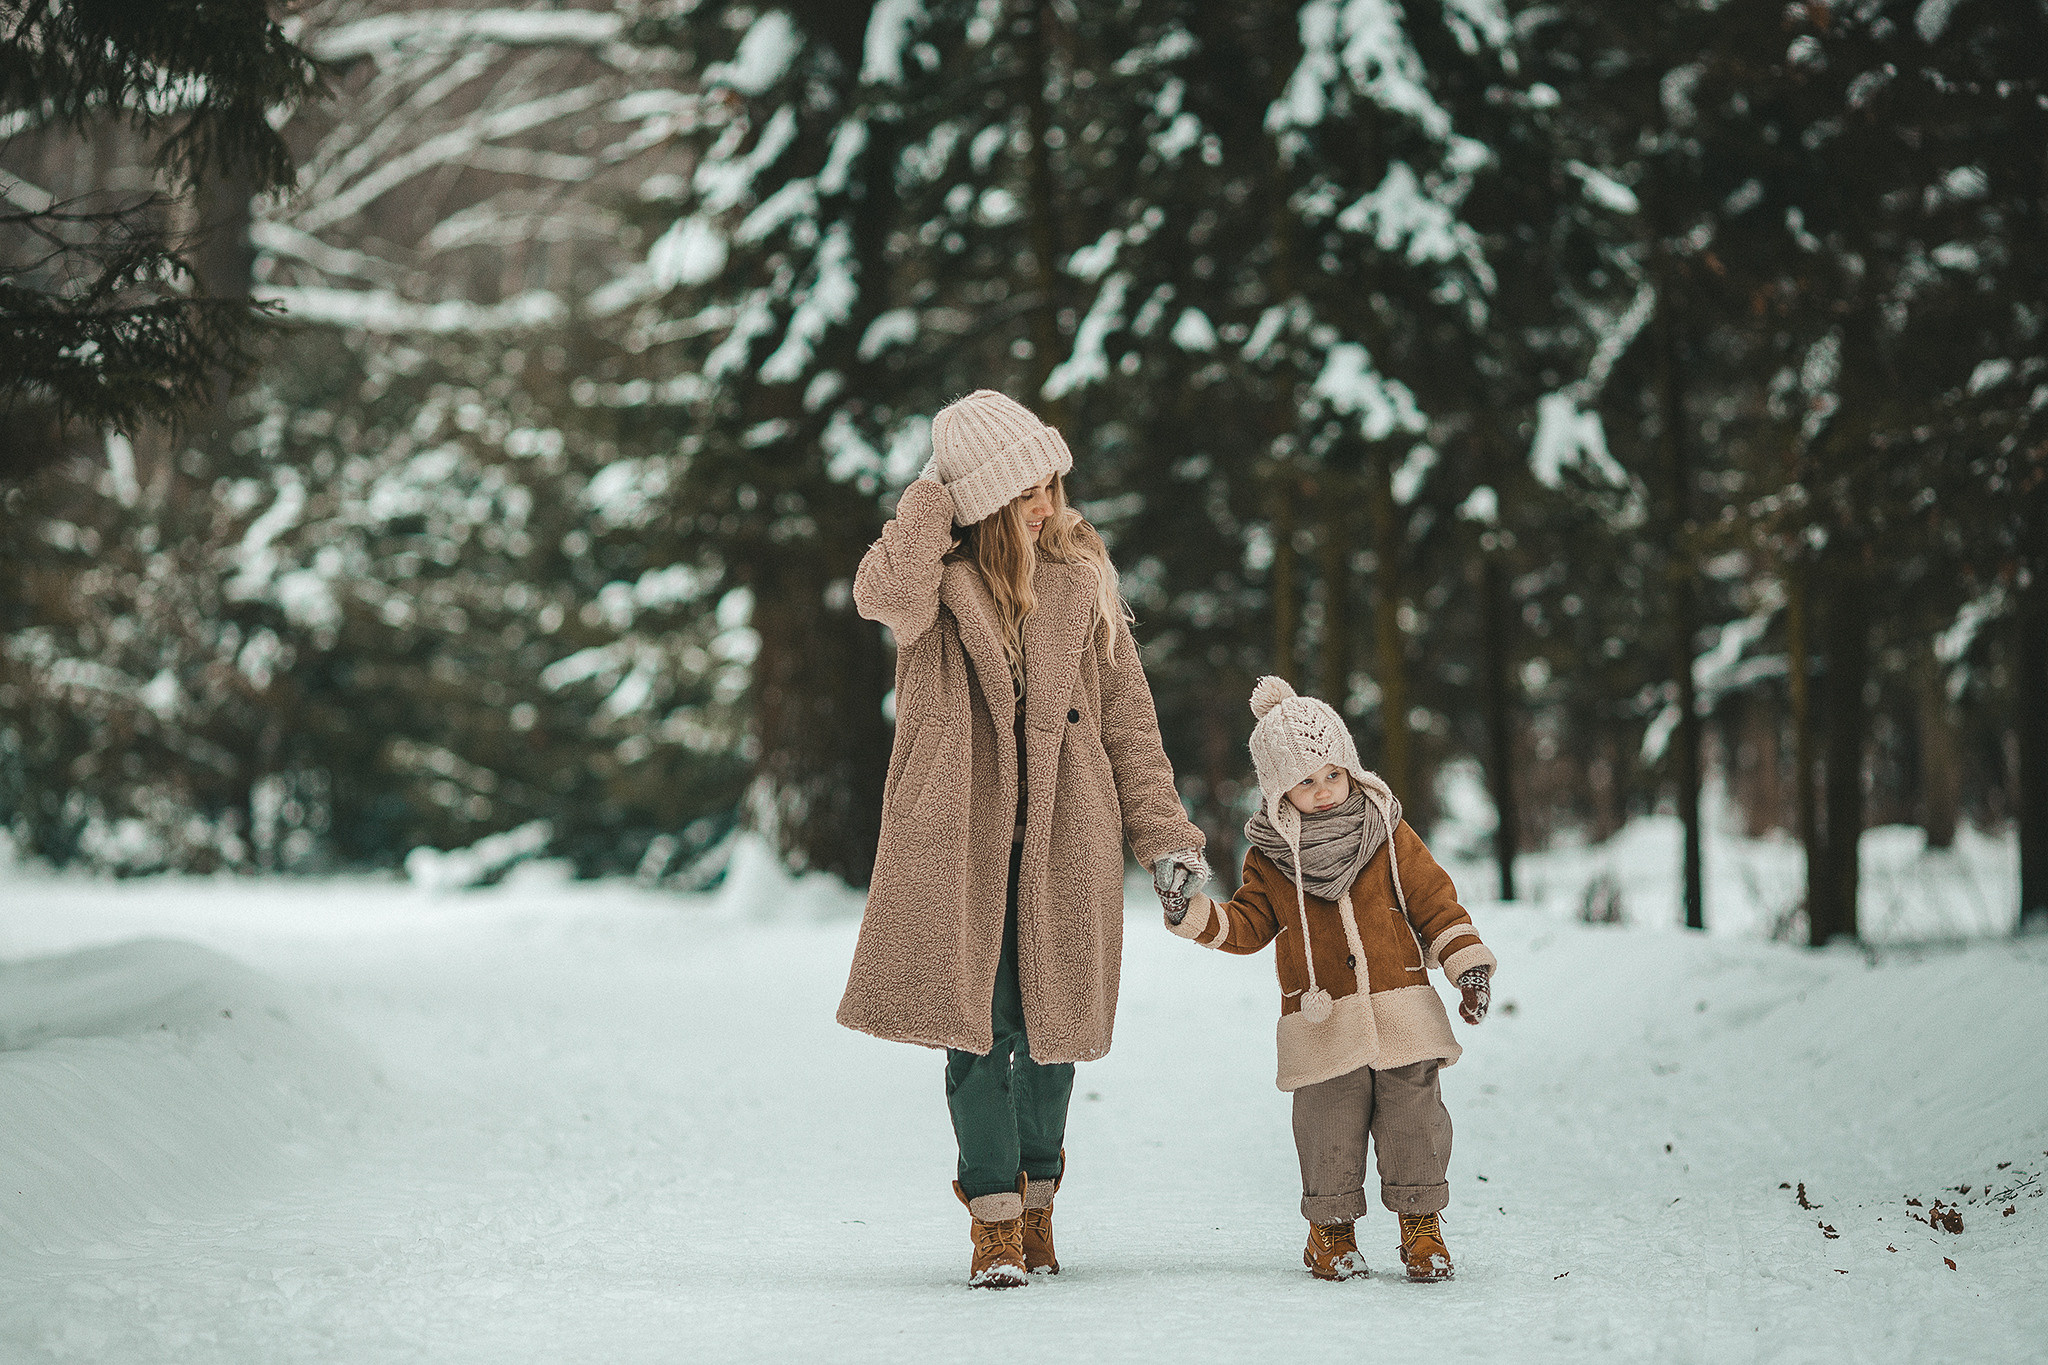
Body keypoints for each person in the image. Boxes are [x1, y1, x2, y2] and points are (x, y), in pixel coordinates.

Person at [838, 389, 1206, 1288]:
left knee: (1053, 1035)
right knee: (979, 1030)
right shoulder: (934, 586)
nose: (1049, 505)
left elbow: (1130, 725)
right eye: (1028, 490)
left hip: (1064, 844)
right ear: (986, 500)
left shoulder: (1083, 580)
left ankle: (1040, 1200)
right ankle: (994, 1217)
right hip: (959, 843)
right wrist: (933, 492)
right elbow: (875, 592)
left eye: (1052, 484)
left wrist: (1165, 838)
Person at [1157, 676, 1496, 1282]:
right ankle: (1331, 1233)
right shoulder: (1270, 856)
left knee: (1414, 1121)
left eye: (1331, 775)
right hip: (1321, 1019)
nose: (1322, 791)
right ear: (1278, 791)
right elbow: (1249, 923)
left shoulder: (1388, 833)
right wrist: (1194, 914)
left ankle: (1422, 1229)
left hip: (1402, 1014)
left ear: (1350, 768)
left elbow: (1436, 903)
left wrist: (1466, 965)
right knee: (1327, 1127)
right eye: (1304, 782)